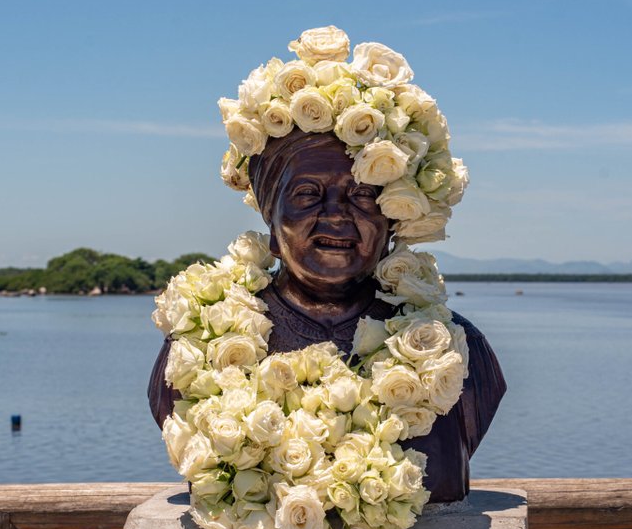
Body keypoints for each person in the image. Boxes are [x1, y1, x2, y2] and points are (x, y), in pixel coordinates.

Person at [148, 125, 505, 502]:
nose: (336, 215)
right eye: (308, 193)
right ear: (271, 219)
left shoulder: (457, 353)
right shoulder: (197, 352)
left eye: (363, 194)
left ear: (392, 221)